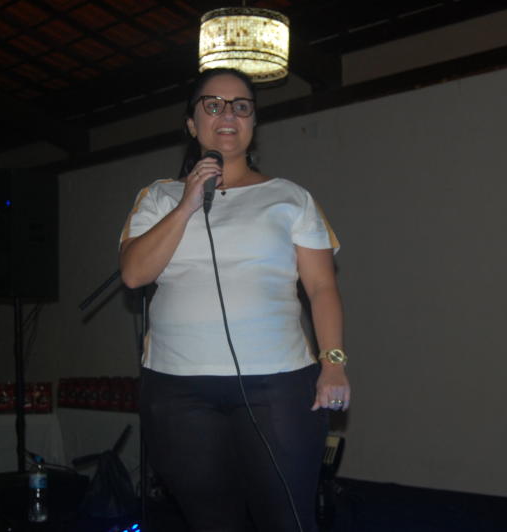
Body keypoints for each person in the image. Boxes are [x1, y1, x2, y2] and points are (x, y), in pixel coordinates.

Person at [119, 67, 350, 532]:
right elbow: (134, 273)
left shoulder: (290, 197)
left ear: (253, 122)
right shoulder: (159, 197)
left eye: (241, 106)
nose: (228, 114)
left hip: (277, 385)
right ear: (192, 123)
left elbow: (322, 288)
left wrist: (333, 363)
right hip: (177, 389)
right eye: (213, 105)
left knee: (286, 520)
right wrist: (187, 203)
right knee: (211, 522)